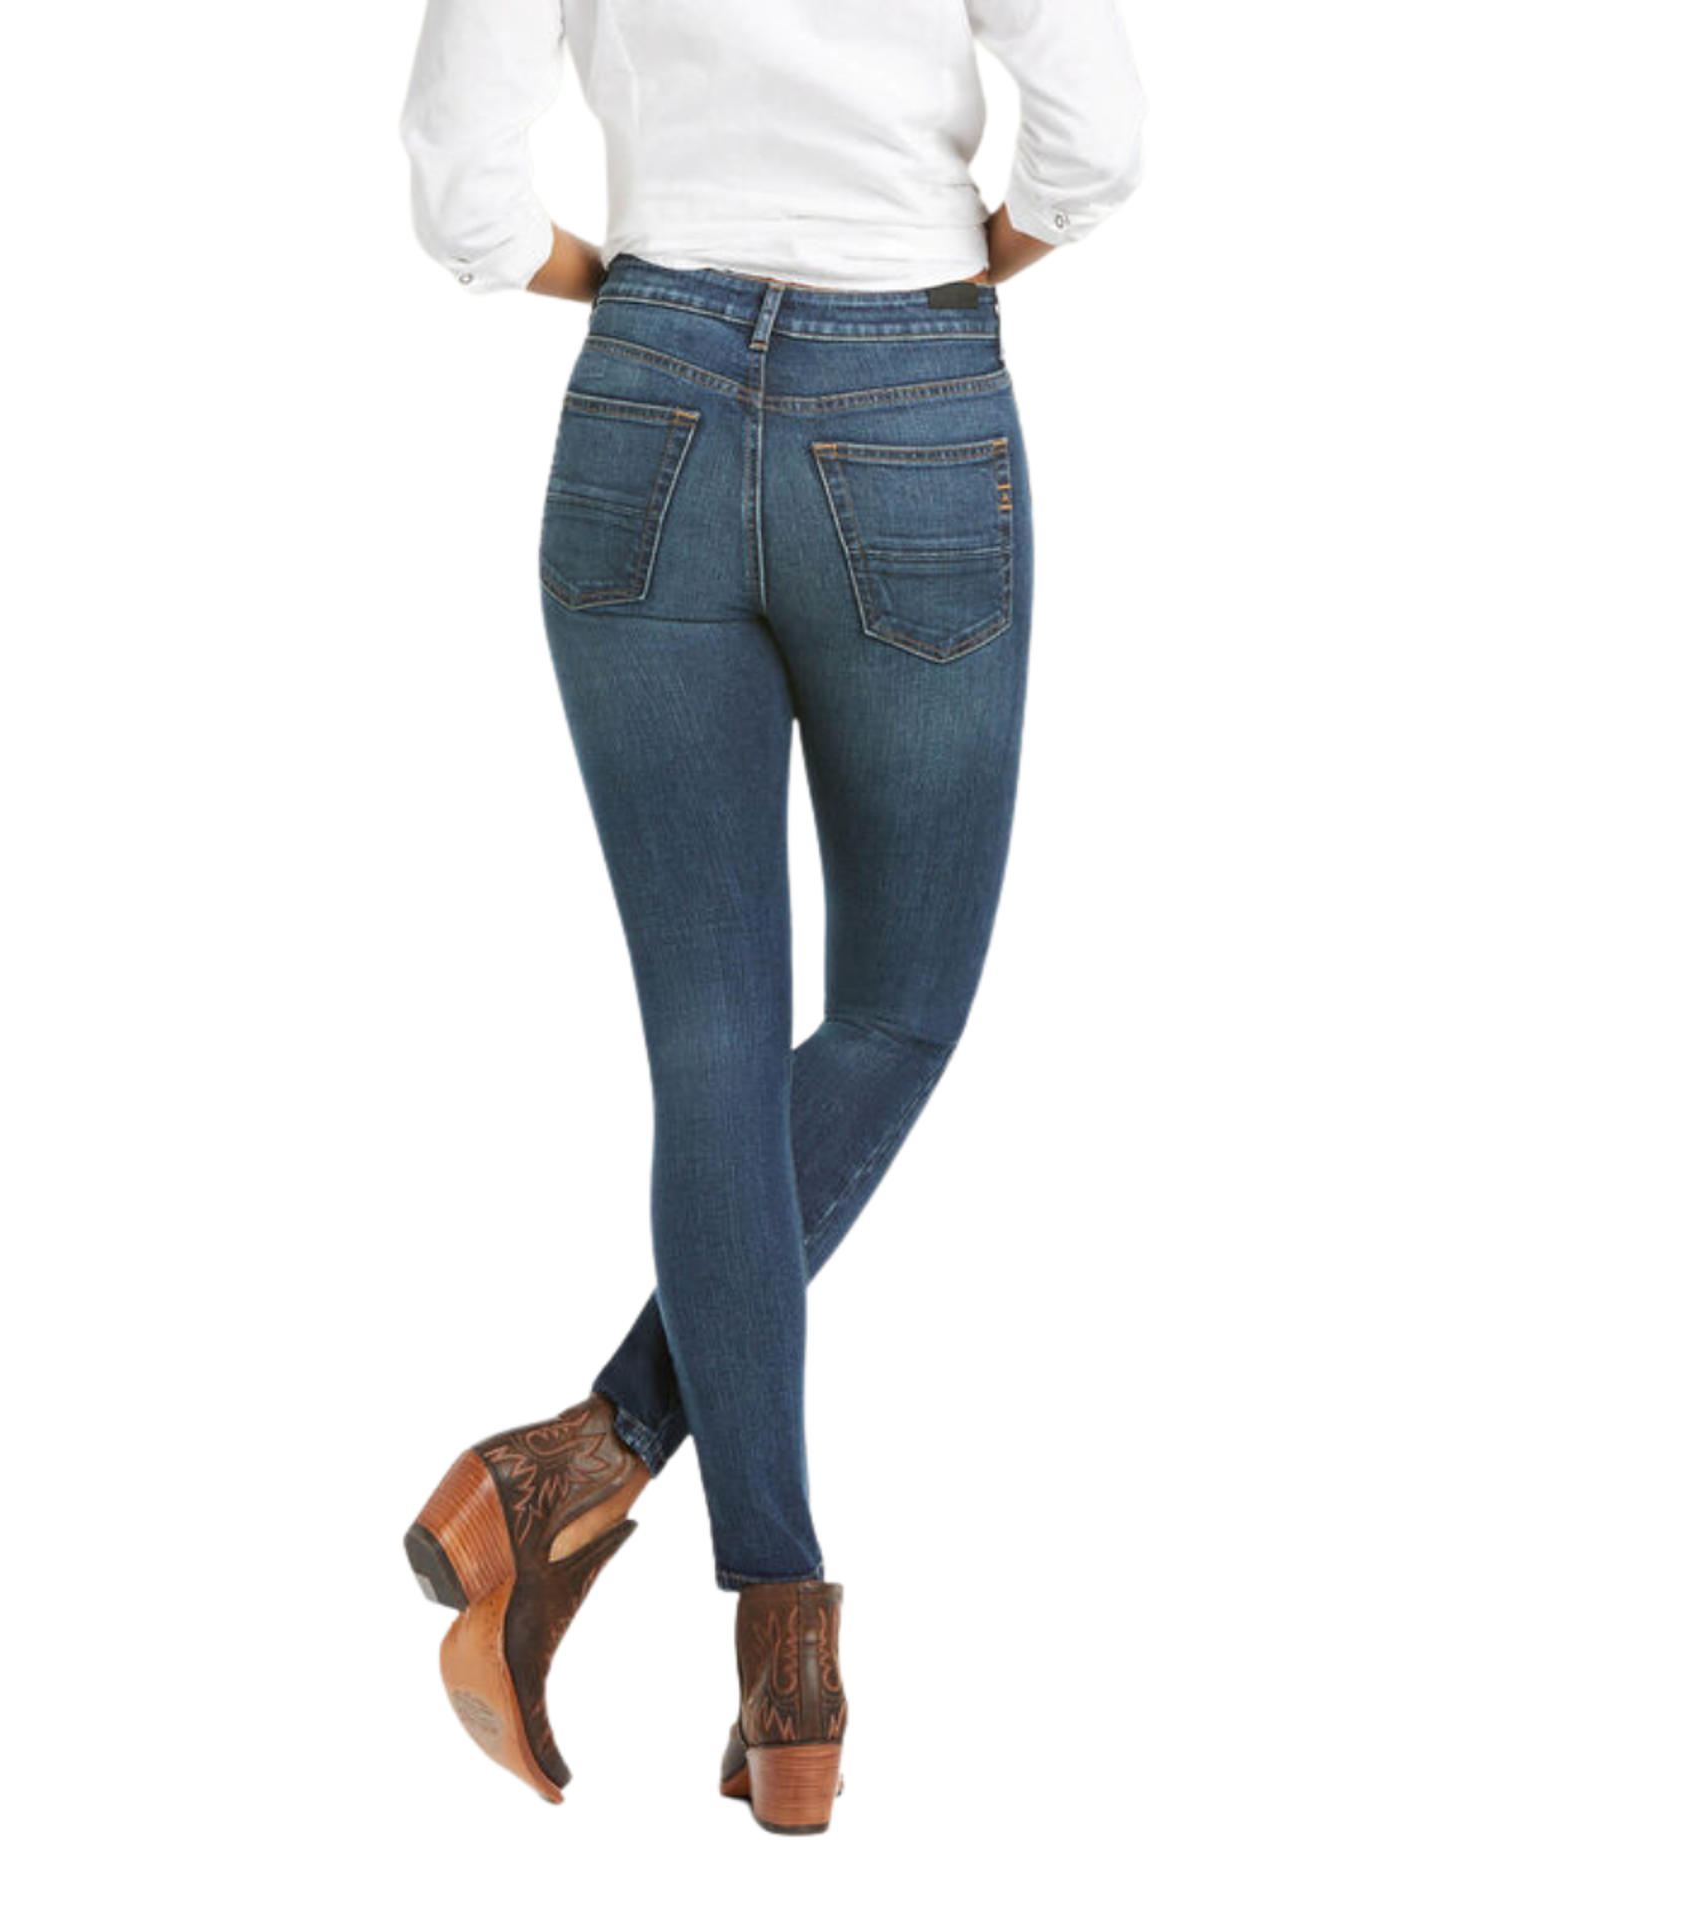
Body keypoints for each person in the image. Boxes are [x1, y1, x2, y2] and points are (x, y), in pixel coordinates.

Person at [397, 0, 1145, 1835]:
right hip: (912, 393)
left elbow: (466, 195)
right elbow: (1096, 142)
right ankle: (646, 1540)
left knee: (714, 1049)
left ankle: (666, 1541)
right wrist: (965, 263)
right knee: (894, 1013)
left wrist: (621, 292)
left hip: (645, 390)